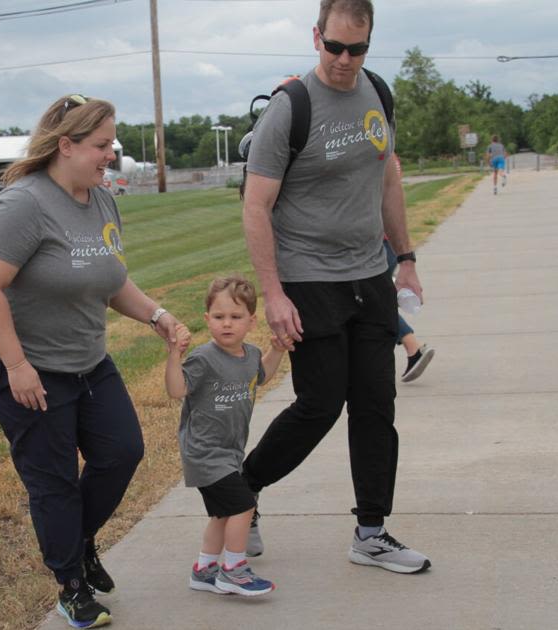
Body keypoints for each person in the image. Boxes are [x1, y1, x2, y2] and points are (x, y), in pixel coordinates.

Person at [0, 93, 184, 629]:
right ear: (65, 145)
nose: (110, 154)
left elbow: (109, 279)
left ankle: (79, 540)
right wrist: (17, 366)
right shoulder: (23, 204)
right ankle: (70, 584)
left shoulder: (101, 198)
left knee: (123, 451)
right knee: (54, 480)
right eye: (101, 145)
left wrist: (156, 315)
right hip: (28, 365)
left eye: (110, 143)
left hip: (88, 359)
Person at [239, 0, 432, 574]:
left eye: (358, 48)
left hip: (369, 275)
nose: (346, 60)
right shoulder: (290, 107)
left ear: (370, 41)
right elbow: (256, 205)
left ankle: (371, 532)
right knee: (320, 405)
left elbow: (387, 176)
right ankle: (241, 491)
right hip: (307, 278)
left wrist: (406, 258)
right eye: (335, 47)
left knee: (376, 405)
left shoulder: (378, 91)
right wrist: (272, 294)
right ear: (316, 36)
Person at [165, 276, 281, 597]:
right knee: (244, 506)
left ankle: (204, 570)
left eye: (235, 317)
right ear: (207, 320)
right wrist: (174, 355)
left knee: (223, 513)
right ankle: (234, 569)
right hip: (204, 452)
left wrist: (277, 349)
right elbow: (177, 390)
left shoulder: (251, 354)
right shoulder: (204, 358)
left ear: (251, 321)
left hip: (229, 453)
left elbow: (262, 376)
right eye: (219, 317)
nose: (227, 324)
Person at [383, 238, 435, 382]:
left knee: (374, 301)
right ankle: (413, 348)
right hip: (384, 244)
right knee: (375, 301)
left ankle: (413, 348)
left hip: (378, 245)